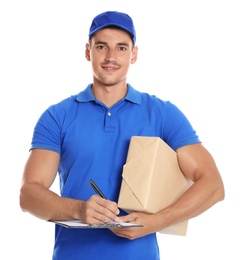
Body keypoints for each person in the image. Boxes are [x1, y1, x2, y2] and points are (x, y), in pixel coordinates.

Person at [19, 10, 225, 260]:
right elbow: (29, 194)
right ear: (88, 51)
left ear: (134, 54)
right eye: (102, 46)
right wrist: (79, 209)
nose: (110, 57)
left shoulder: (162, 114)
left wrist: (156, 222)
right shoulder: (57, 116)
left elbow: (213, 185)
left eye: (121, 48)